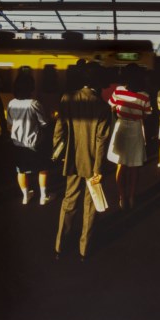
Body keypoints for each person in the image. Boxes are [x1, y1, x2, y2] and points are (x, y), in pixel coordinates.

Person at [54, 62, 111, 261]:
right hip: (93, 163)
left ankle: (60, 246)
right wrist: (98, 169)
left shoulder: (67, 98)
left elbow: (59, 129)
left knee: (69, 202)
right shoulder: (103, 107)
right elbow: (101, 140)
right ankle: (84, 250)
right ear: (98, 82)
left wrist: (59, 154)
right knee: (90, 205)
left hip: (71, 159)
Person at [107, 63, 152, 210]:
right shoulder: (145, 96)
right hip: (136, 128)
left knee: (121, 164)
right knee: (134, 165)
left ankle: (122, 197)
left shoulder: (118, 91)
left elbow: (112, 106)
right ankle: (132, 197)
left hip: (121, 127)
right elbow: (146, 114)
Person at [7, 71, 54, 205]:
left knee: (21, 171)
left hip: (18, 143)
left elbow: (10, 122)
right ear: (30, 87)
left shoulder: (11, 103)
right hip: (35, 143)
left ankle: (26, 196)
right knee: (42, 168)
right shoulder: (34, 103)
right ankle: (43, 197)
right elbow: (44, 123)